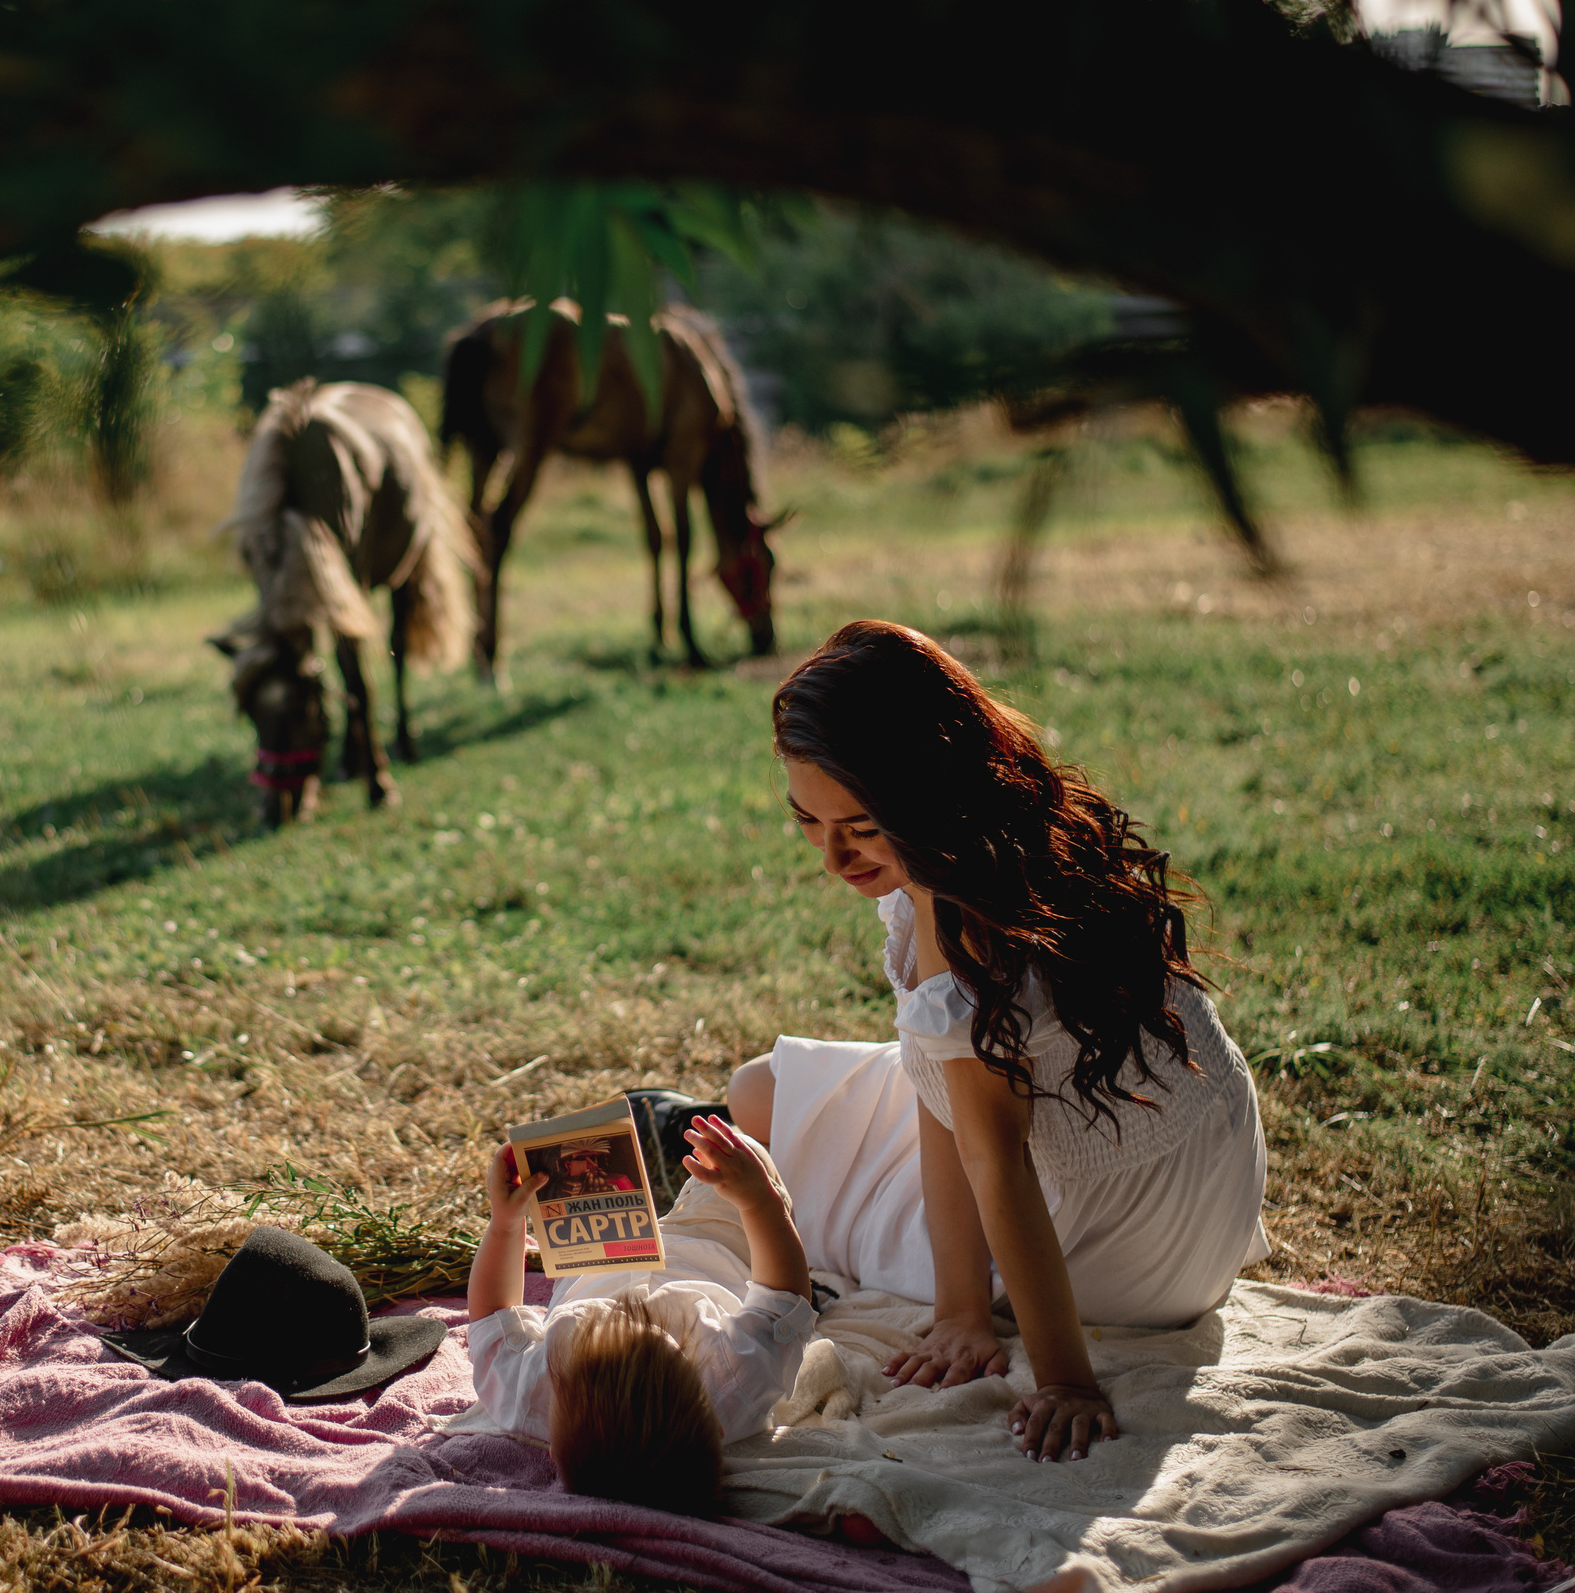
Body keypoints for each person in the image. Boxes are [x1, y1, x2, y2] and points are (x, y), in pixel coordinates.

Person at [726, 621, 1270, 1466]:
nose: (832, 856)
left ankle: (659, 1139)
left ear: (917, 786)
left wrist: (1047, 1370)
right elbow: (951, 1088)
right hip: (1204, 1210)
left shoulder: (956, 908)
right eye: (809, 820)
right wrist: (963, 1312)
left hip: (1118, 1247)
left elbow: (994, 1155)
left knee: (759, 1108)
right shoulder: (1015, 821)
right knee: (766, 1090)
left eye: (860, 825)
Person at [464, 1114, 817, 1513]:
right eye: (665, 1341)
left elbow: (491, 1314)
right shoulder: (737, 1386)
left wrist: (505, 1224)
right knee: (740, 1149)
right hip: (713, 1244)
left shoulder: (531, 1397)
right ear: (714, 1423)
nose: (633, 1313)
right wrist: (759, 1203)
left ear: (551, 1443)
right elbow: (785, 1297)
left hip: (597, 1248)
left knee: (575, 1160)